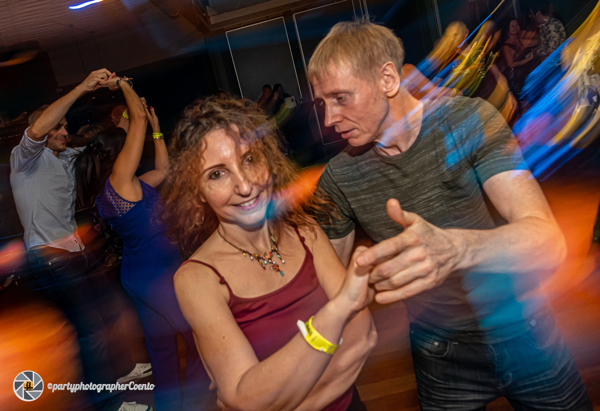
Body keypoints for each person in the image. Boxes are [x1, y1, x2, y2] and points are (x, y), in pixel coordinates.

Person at [308, 21, 592, 410]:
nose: (329, 119)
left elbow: (547, 241)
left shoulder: (467, 121)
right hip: (440, 354)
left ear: (387, 79)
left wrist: (456, 247)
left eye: (340, 98)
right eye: (322, 104)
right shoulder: (339, 178)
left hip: (524, 333)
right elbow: (329, 288)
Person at [162, 96, 377, 411]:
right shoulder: (197, 279)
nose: (244, 186)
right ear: (198, 192)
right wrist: (336, 315)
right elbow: (245, 398)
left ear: (269, 160)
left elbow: (363, 337)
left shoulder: (307, 234)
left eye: (249, 159)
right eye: (217, 174)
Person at [10, 69, 151, 411]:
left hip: (74, 253)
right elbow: (38, 130)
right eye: (57, 127)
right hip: (50, 259)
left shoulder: (66, 156)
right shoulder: (24, 160)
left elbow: (115, 131)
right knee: (90, 333)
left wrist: (127, 100)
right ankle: (108, 403)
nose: (64, 131)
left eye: (64, 127)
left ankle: (121, 371)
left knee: (109, 317)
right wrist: (83, 87)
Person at [79, 76, 210, 410]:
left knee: (163, 352)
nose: (132, 149)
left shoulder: (125, 189)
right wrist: (122, 84)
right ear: (117, 156)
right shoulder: (120, 183)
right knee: (198, 342)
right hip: (157, 277)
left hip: (139, 277)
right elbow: (135, 117)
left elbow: (163, 170)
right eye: (126, 146)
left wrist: (156, 131)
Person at [500, 19, 540, 100]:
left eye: (517, 25)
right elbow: (511, 65)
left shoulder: (519, 41)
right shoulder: (506, 46)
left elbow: (538, 40)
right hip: (514, 79)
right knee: (523, 101)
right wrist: (529, 59)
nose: (515, 27)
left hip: (522, 75)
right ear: (507, 28)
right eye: (512, 26)